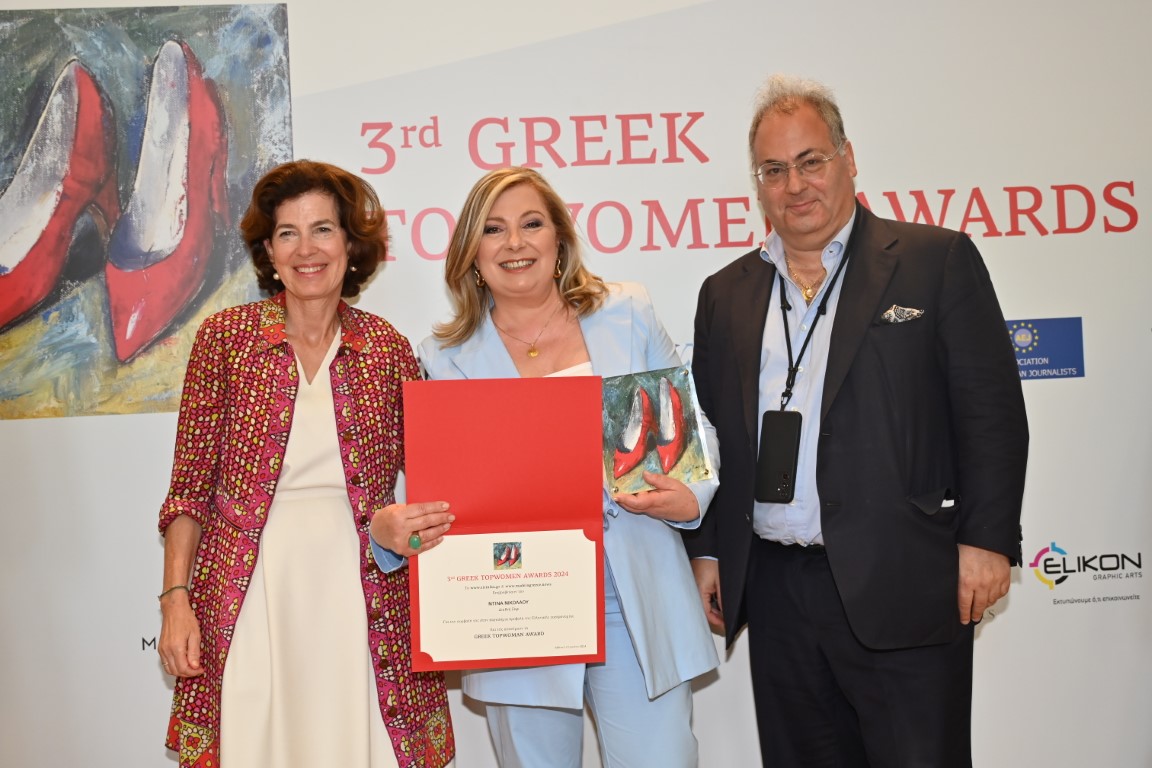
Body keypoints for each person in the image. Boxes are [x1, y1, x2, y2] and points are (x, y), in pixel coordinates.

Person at [683, 75, 1029, 767]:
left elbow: (990, 413)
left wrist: (987, 540)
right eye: (774, 170)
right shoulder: (725, 293)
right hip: (777, 591)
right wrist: (710, 552)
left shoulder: (934, 262)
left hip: (906, 577)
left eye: (810, 161)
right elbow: (711, 435)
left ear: (848, 158)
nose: (795, 185)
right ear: (758, 185)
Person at [415, 167, 719, 767]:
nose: (515, 243)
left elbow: (692, 433)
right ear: (471, 252)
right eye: (493, 229)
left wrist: (691, 497)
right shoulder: (443, 359)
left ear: (559, 237)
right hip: (516, 603)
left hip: (633, 594)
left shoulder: (627, 312)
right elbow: (437, 488)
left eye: (532, 223)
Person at [156, 160, 456, 768]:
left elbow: (438, 482)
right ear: (269, 251)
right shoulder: (225, 340)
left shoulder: (388, 349)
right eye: (287, 233)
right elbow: (188, 490)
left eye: (323, 229)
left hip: (363, 592)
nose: (306, 249)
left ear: (350, 243)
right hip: (250, 593)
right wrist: (175, 601)